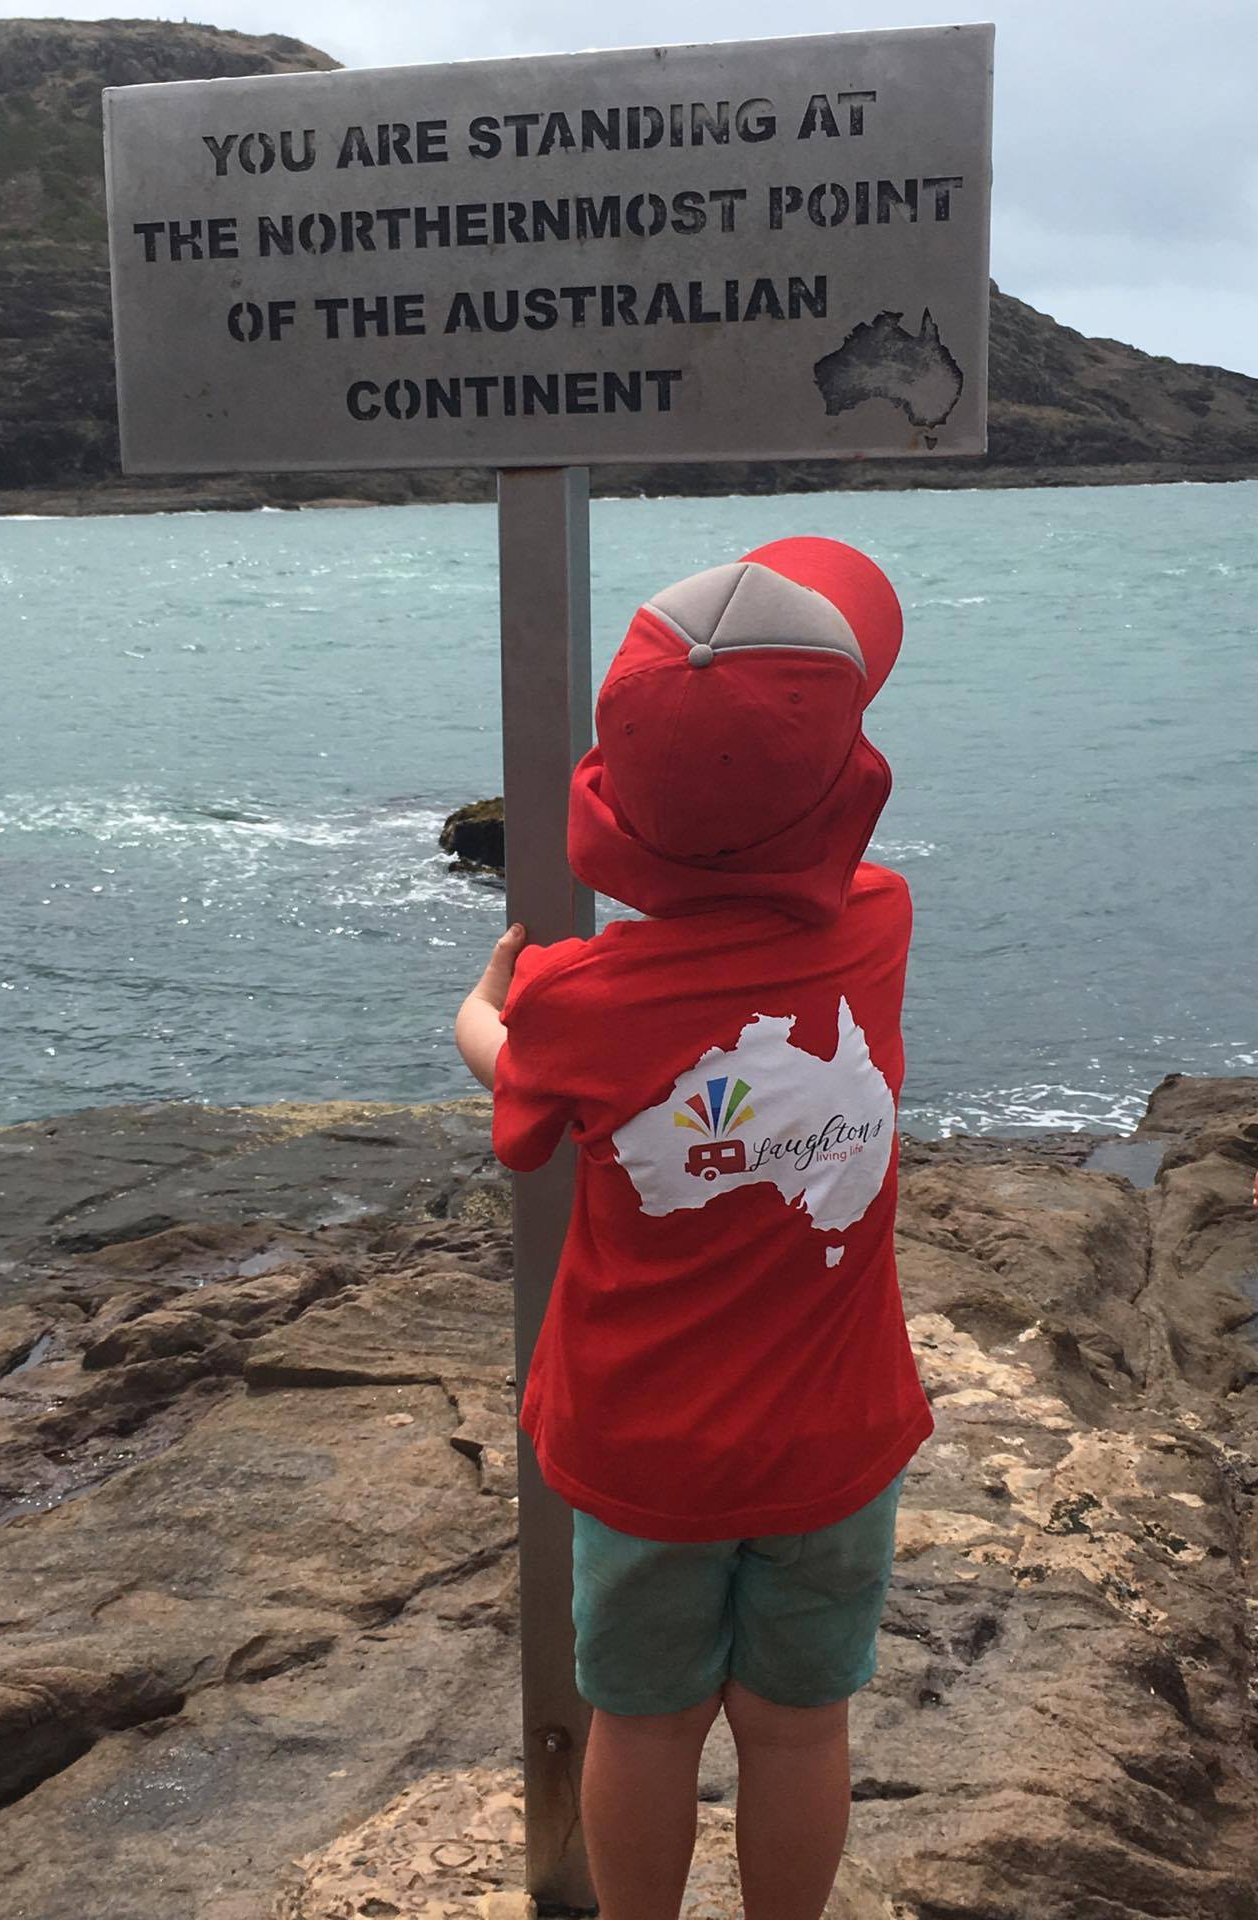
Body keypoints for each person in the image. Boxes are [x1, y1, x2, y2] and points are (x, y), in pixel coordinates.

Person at [454, 536, 934, 1920]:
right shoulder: (879, 926)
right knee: (799, 1728)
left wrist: (480, 1010)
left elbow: (518, 1083)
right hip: (833, 1437)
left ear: (612, 800)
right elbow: (811, 848)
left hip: (641, 1445)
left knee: (645, 1723)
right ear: (847, 789)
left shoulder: (576, 1003)